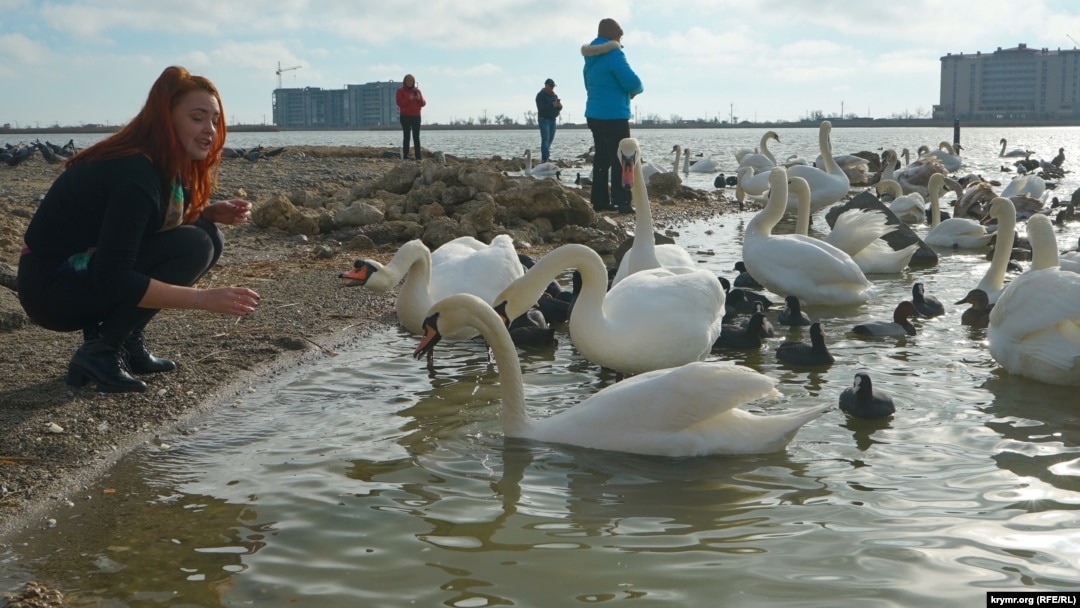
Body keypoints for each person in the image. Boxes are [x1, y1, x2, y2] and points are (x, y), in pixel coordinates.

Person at [17, 65, 261, 394]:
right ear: (165, 117)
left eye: (215, 121)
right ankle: (101, 350)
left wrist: (206, 211)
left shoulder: (161, 164)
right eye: (198, 118)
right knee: (195, 245)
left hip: (76, 273)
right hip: (51, 289)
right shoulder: (134, 171)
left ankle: (125, 343)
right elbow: (112, 276)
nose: (210, 131)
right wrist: (203, 299)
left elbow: (136, 228)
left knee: (207, 234)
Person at [582, 17, 643, 214]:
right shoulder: (614, 54)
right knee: (625, 158)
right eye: (619, 38)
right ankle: (622, 200)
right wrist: (634, 90)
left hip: (594, 115)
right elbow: (632, 82)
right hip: (614, 115)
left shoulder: (590, 59)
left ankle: (599, 201)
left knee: (602, 157)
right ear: (615, 37)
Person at [395, 74, 426, 161]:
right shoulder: (400, 91)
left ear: (413, 82)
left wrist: (418, 98)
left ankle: (418, 156)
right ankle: (406, 155)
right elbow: (400, 103)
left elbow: (423, 103)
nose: (409, 82)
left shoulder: (417, 91)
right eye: (408, 80)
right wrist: (409, 98)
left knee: (416, 137)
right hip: (405, 116)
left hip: (416, 116)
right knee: (406, 136)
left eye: (411, 81)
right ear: (405, 81)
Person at [535, 78, 562, 163]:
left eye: (553, 86)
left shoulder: (554, 96)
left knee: (550, 140)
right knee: (545, 139)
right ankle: (544, 158)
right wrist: (552, 105)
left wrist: (559, 106)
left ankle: (546, 156)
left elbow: (559, 108)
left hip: (553, 120)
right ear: (546, 85)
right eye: (551, 86)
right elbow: (541, 107)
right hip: (544, 120)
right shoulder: (540, 95)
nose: (552, 88)